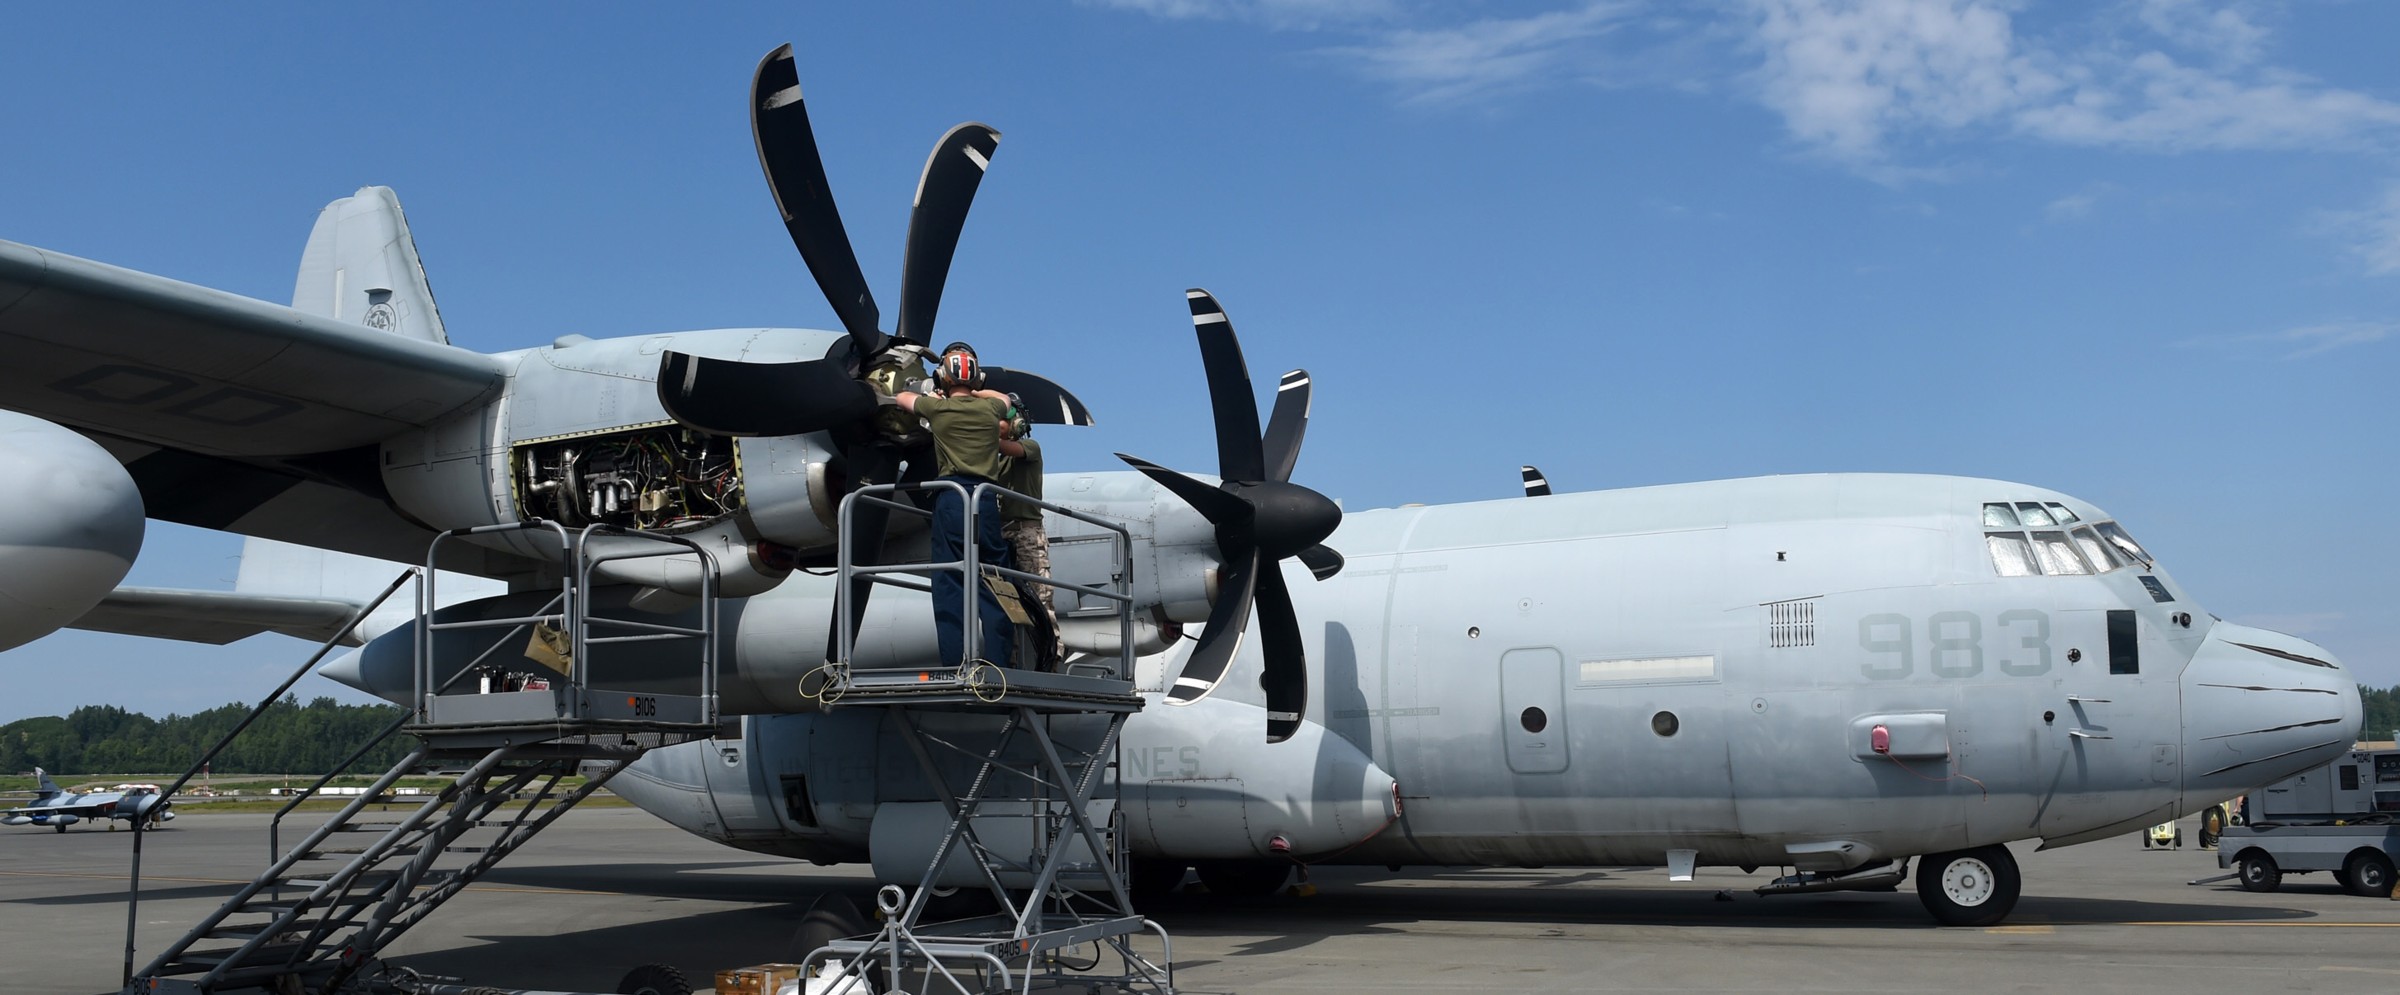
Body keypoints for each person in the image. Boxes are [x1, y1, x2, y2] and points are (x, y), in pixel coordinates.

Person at [896, 346, 1014, 669]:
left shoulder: (938, 410)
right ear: (975, 379)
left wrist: (931, 389)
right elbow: (1005, 400)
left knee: (949, 582)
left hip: (952, 499)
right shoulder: (990, 409)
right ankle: (1000, 663)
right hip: (986, 501)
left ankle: (955, 664)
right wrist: (977, 388)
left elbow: (900, 399)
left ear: (943, 376)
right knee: (995, 578)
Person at [995, 396, 1064, 668]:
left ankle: (1050, 660)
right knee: (1007, 601)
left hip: (1027, 533)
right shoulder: (994, 460)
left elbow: (1005, 447)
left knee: (1039, 597)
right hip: (1002, 533)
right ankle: (1013, 662)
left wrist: (973, 430)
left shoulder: (1030, 448)